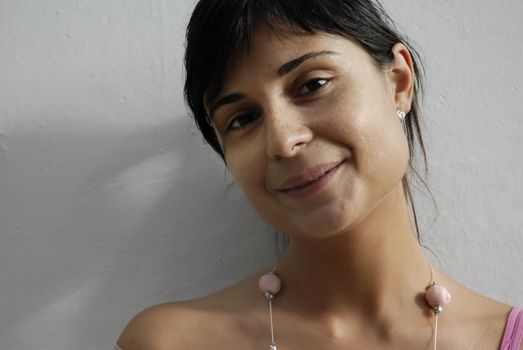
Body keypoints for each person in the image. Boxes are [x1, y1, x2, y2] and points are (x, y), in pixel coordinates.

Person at [115, 0, 522, 349]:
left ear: (398, 81)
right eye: (242, 119)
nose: (283, 140)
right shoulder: (170, 342)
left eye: (312, 85)